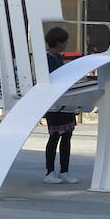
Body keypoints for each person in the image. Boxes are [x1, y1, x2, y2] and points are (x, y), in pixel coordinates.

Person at [42, 26, 79, 184]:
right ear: (58, 42)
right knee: (55, 136)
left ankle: (64, 171)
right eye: (64, 41)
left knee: (67, 136)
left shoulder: (57, 57)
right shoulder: (49, 58)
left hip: (65, 101)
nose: (66, 44)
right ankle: (50, 172)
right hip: (55, 103)